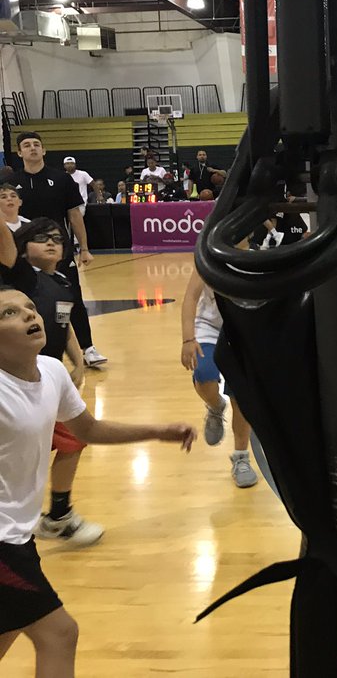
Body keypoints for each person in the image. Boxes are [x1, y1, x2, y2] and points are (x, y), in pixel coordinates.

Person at [0, 284, 195, 677]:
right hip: (3, 541)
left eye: (29, 307)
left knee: (9, 630)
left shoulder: (52, 371)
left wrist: (157, 431)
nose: (29, 315)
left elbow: (88, 429)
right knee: (59, 633)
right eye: (8, 313)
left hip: (18, 534)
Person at [0, 219, 97, 546]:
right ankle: (54, 516)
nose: (52, 243)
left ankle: (57, 513)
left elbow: (64, 324)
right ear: (23, 249)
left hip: (46, 384)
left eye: (57, 238)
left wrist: (78, 360)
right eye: (41, 239)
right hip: (19, 385)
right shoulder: (23, 280)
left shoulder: (63, 282)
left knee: (74, 441)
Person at [10, 132, 106, 368]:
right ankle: (29, 353)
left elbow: (74, 215)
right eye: (26, 145)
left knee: (72, 298)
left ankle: (87, 348)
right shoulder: (12, 183)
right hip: (23, 254)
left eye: (36, 144)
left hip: (58, 251)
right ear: (19, 152)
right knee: (25, 303)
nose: (32, 148)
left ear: (43, 150)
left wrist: (84, 248)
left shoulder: (61, 179)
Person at [180, 264, 258, 488]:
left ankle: (241, 458)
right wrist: (188, 339)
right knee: (204, 373)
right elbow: (190, 297)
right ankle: (215, 406)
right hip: (209, 327)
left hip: (243, 331)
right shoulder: (209, 254)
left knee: (240, 395)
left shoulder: (257, 255)